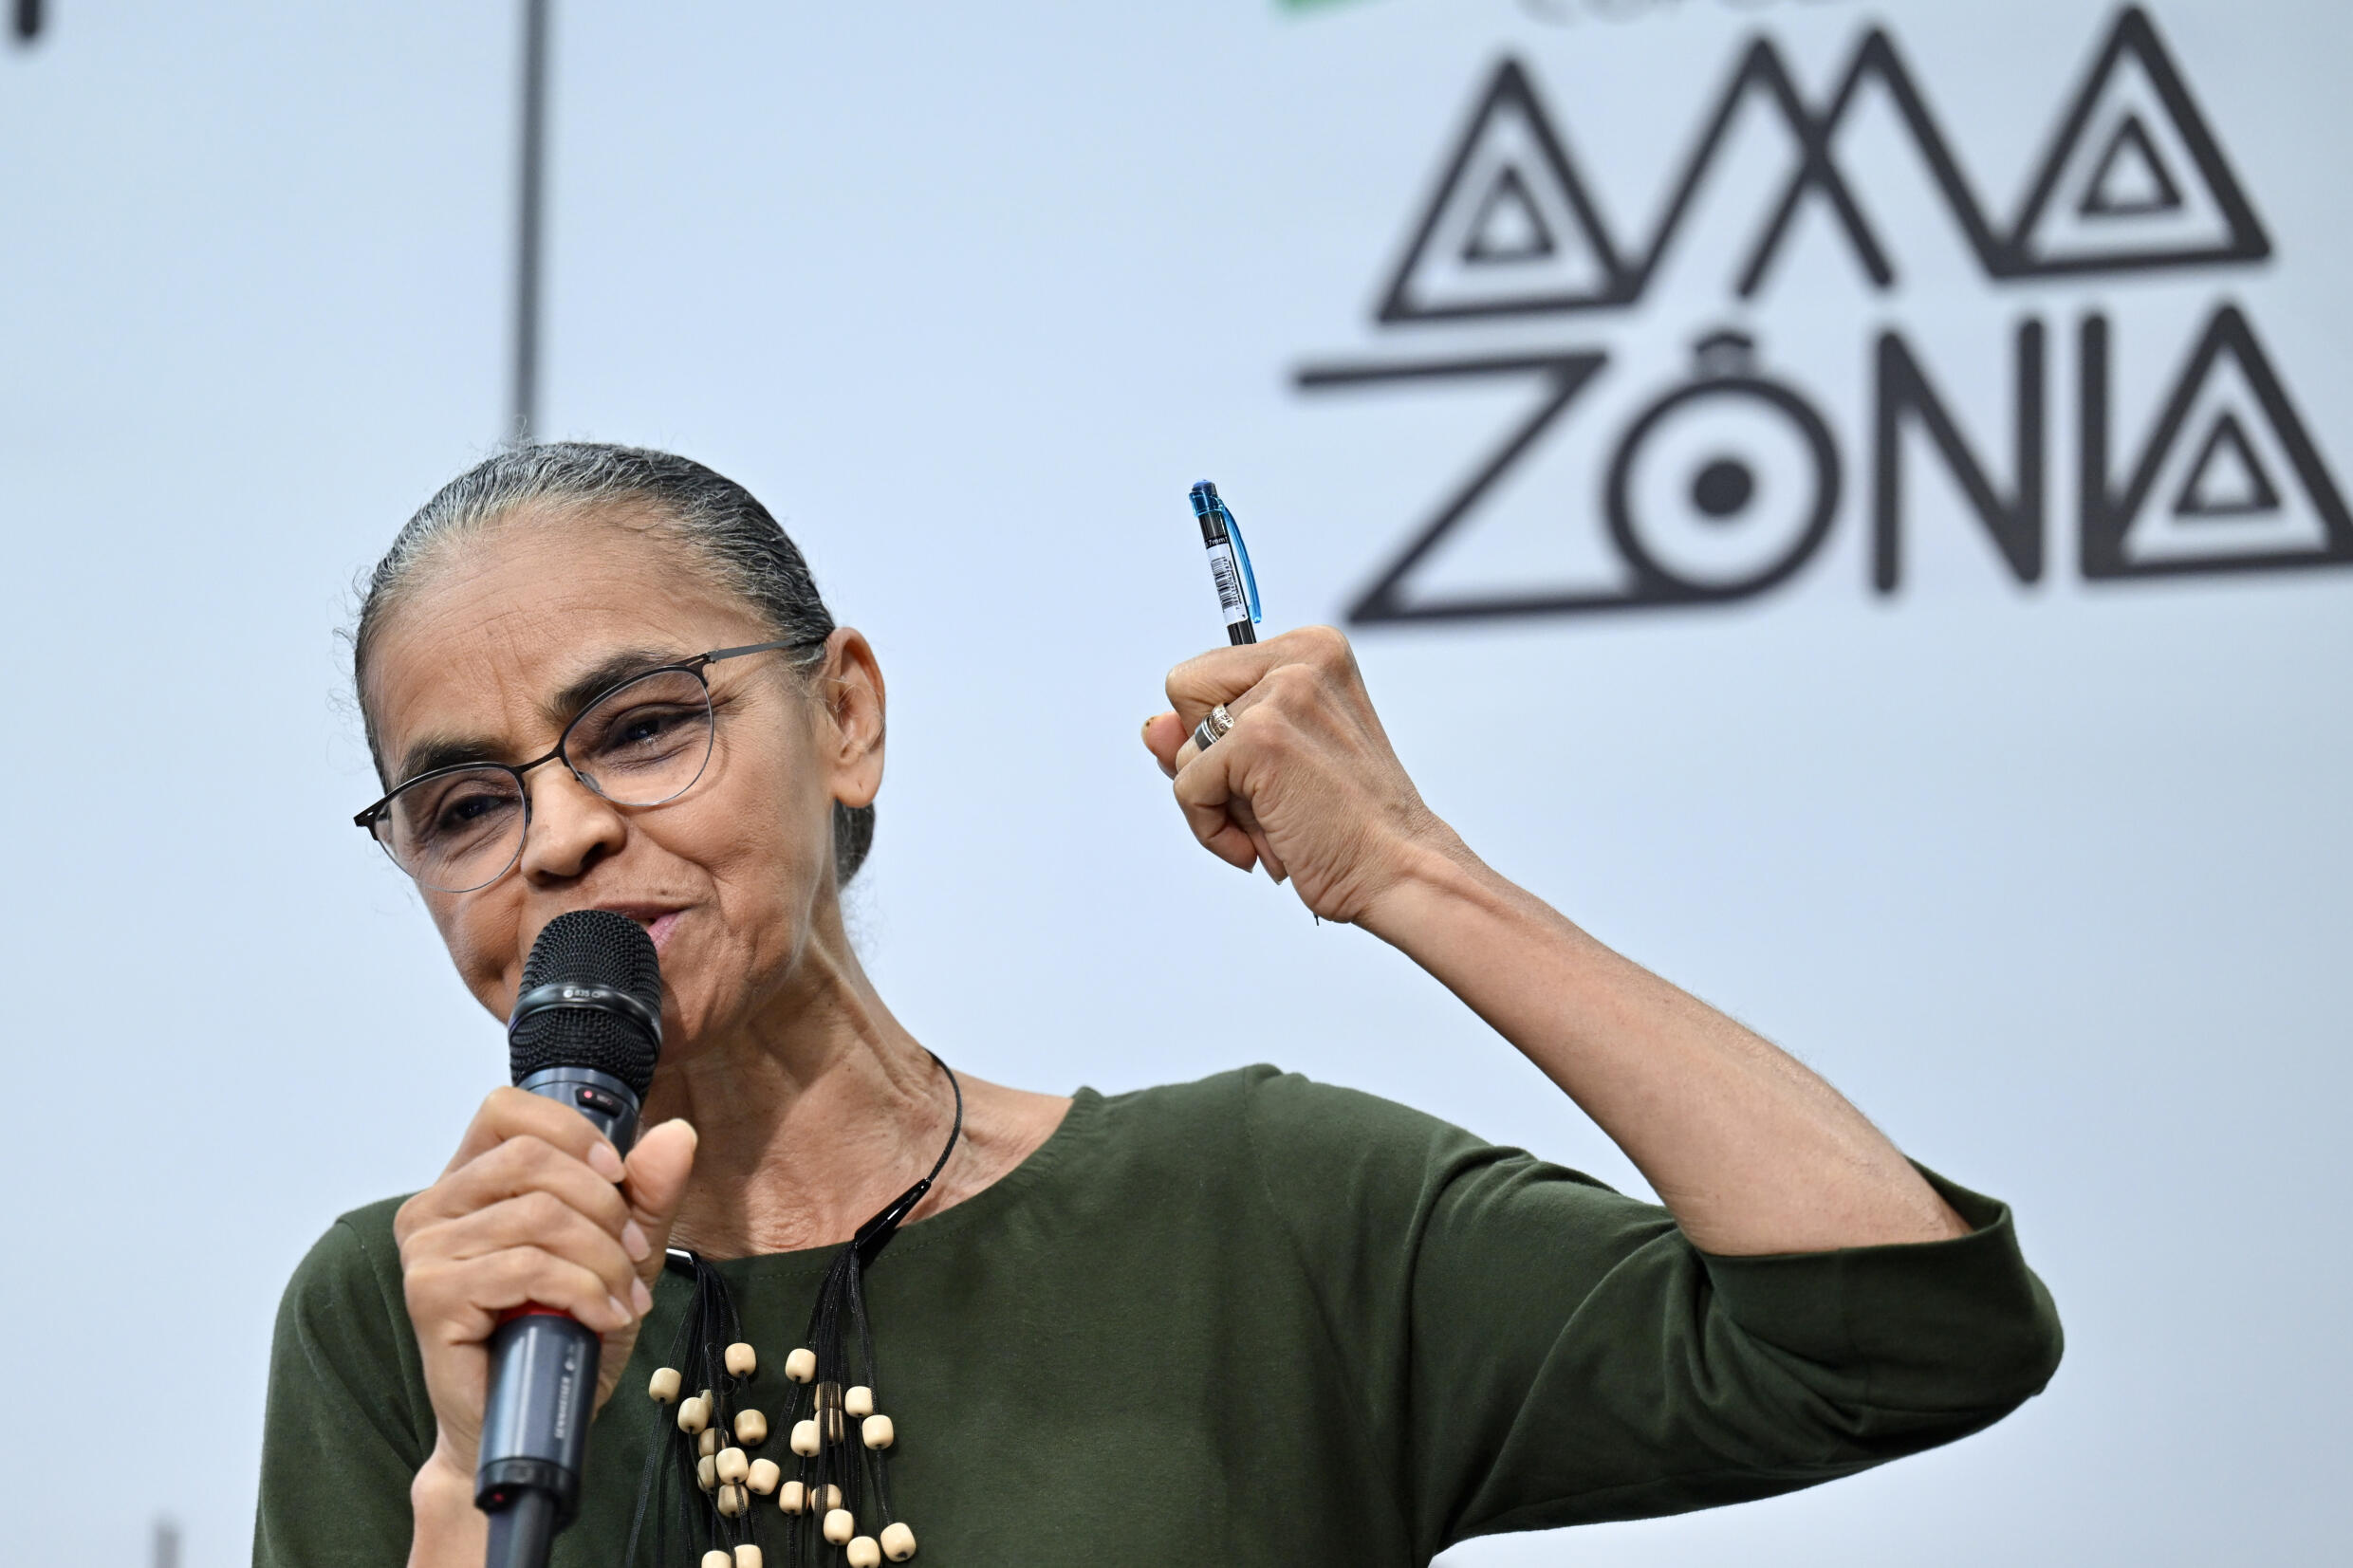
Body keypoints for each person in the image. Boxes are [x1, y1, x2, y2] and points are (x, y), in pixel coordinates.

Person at [255, 443, 2061, 1568]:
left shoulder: (1253, 1217)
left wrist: (1412, 871)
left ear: (848, 716)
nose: (561, 832)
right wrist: (461, 1490)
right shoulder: (411, 1311)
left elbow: (1905, 1329)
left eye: (644, 725)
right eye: (465, 804)